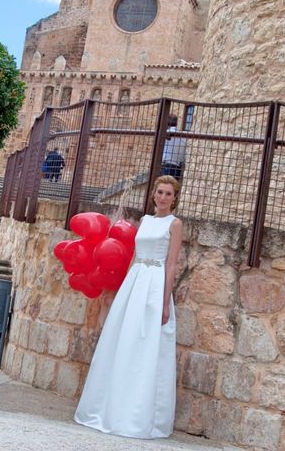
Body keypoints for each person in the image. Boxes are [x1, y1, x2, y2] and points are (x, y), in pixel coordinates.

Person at [74, 175, 183, 439]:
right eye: (160, 192)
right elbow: (134, 256)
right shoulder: (145, 221)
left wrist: (165, 302)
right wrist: (124, 289)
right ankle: (109, 406)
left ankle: (137, 416)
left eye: (168, 194)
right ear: (153, 195)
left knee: (146, 346)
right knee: (122, 340)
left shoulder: (175, 224)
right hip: (135, 282)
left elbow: (171, 264)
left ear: (174, 198)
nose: (163, 197)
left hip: (155, 284)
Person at [161, 114, 186, 180]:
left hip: (165, 166)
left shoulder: (164, 133)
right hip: (177, 168)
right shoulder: (183, 137)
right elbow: (183, 157)